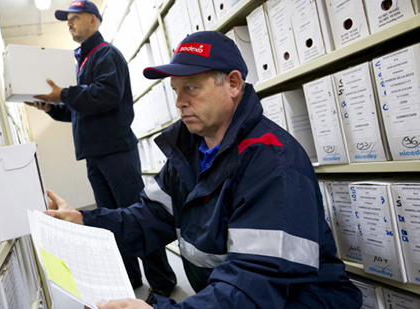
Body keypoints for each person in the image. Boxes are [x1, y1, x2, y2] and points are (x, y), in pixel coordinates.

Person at [43, 30, 363, 309]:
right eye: (176, 91)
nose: (180, 102)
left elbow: (254, 284)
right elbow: (147, 218)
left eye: (191, 88)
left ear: (233, 84)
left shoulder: (271, 162)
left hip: (299, 301)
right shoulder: (191, 152)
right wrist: (85, 221)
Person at [24, 0, 177, 300]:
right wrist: (52, 107)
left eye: (75, 18)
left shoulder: (106, 54)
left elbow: (107, 95)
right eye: (67, 19)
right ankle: (130, 278)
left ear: (93, 21)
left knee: (136, 215)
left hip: (116, 153)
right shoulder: (82, 62)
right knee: (110, 222)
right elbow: (79, 111)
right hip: (95, 156)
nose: (69, 23)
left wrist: (64, 93)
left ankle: (162, 280)